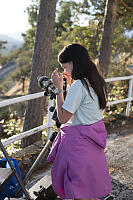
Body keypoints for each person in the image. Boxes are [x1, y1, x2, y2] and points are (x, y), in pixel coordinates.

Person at [47, 43, 112, 200]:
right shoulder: (96, 81)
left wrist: (59, 90)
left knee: (77, 191)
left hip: (77, 146)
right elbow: (84, 107)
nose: (64, 71)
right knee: (87, 189)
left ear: (74, 63)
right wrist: (70, 85)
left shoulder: (79, 85)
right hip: (92, 143)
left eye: (65, 67)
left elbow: (62, 118)